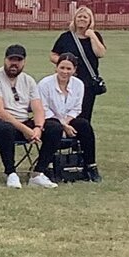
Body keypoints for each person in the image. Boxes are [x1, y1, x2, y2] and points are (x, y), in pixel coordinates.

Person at [0, 44, 44, 188]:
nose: (14, 63)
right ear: (5, 60)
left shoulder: (29, 80)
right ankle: (11, 173)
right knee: (5, 128)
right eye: (11, 59)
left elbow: (38, 108)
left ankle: (39, 172)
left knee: (53, 127)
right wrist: (25, 130)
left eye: (18, 60)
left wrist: (38, 127)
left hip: (23, 123)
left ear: (24, 62)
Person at [37, 52, 98, 182]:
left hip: (68, 119)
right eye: (62, 68)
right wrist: (63, 125)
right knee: (54, 128)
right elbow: (43, 108)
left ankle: (90, 166)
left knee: (84, 125)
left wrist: (67, 122)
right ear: (56, 68)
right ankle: (45, 167)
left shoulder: (79, 84)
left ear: (75, 70)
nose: (65, 72)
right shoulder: (45, 84)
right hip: (48, 119)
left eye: (69, 69)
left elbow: (76, 108)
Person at [51, 4, 107, 121]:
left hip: (88, 82)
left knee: (85, 113)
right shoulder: (66, 37)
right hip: (67, 80)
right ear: (75, 19)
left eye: (85, 17)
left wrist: (92, 36)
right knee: (66, 111)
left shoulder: (95, 36)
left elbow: (100, 53)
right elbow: (53, 55)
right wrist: (66, 64)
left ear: (90, 20)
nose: (82, 19)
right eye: (79, 17)